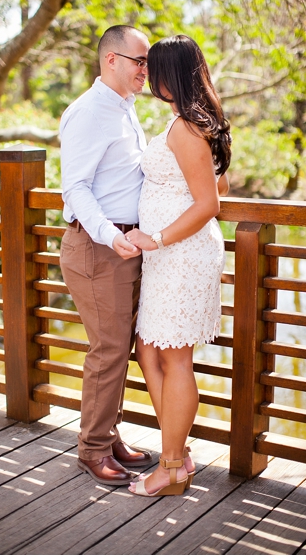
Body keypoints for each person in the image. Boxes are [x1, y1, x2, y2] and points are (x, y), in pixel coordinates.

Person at [124, 35, 231, 497]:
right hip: (170, 258)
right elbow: (218, 187)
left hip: (180, 255)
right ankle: (177, 450)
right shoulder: (190, 122)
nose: (148, 74)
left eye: (155, 67)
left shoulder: (188, 127)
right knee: (149, 350)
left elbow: (210, 203)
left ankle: (170, 468)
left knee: (173, 356)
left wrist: (158, 236)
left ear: (174, 73)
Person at [60, 25, 155, 485]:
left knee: (119, 350)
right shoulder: (89, 112)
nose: (146, 69)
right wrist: (106, 234)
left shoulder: (125, 110)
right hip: (98, 247)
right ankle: (92, 449)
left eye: (148, 61)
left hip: (125, 246)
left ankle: (108, 435)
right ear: (111, 60)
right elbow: (74, 186)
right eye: (140, 60)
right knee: (109, 349)